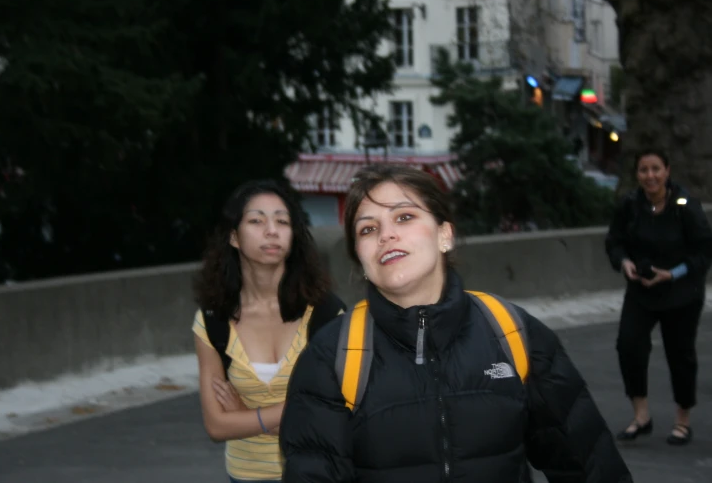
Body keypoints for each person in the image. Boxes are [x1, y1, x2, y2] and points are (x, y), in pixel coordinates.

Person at [279, 164, 631, 482]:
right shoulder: (331, 358)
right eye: (368, 229)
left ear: (444, 234)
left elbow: (590, 465)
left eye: (404, 217)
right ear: (361, 258)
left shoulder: (511, 331)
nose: (386, 235)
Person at [192, 179, 345, 483]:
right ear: (234, 237)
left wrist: (245, 414)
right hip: (245, 475)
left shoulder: (327, 314)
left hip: (318, 474)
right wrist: (294, 412)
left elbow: (338, 417)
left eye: (282, 221)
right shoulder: (212, 320)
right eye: (257, 220)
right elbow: (216, 426)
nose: (272, 230)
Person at [605, 148, 712, 446]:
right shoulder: (630, 204)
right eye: (643, 170)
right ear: (637, 174)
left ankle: (682, 420)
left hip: (681, 292)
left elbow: (704, 251)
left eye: (656, 169)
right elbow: (614, 243)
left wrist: (672, 273)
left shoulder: (685, 206)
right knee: (629, 345)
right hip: (642, 290)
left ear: (667, 171)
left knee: (680, 354)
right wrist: (624, 263)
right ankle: (641, 416)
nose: (650, 176)